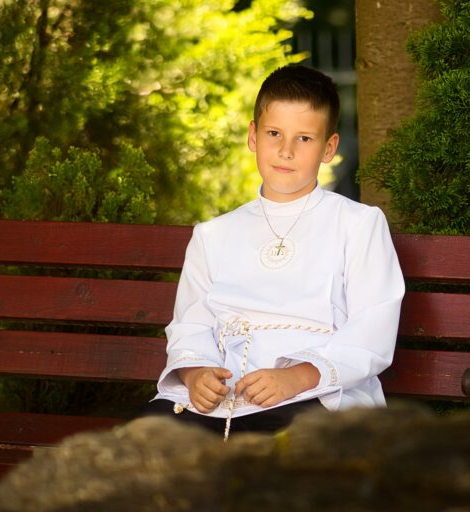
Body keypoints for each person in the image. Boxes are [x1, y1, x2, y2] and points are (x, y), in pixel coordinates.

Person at [142, 65, 405, 439]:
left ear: (329, 147)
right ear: (253, 136)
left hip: (316, 395)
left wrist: (296, 377)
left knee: (287, 453)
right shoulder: (213, 235)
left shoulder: (358, 225)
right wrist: (196, 373)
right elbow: (191, 325)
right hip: (223, 399)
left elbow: (372, 329)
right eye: (274, 133)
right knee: (147, 444)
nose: (285, 151)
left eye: (304, 138)